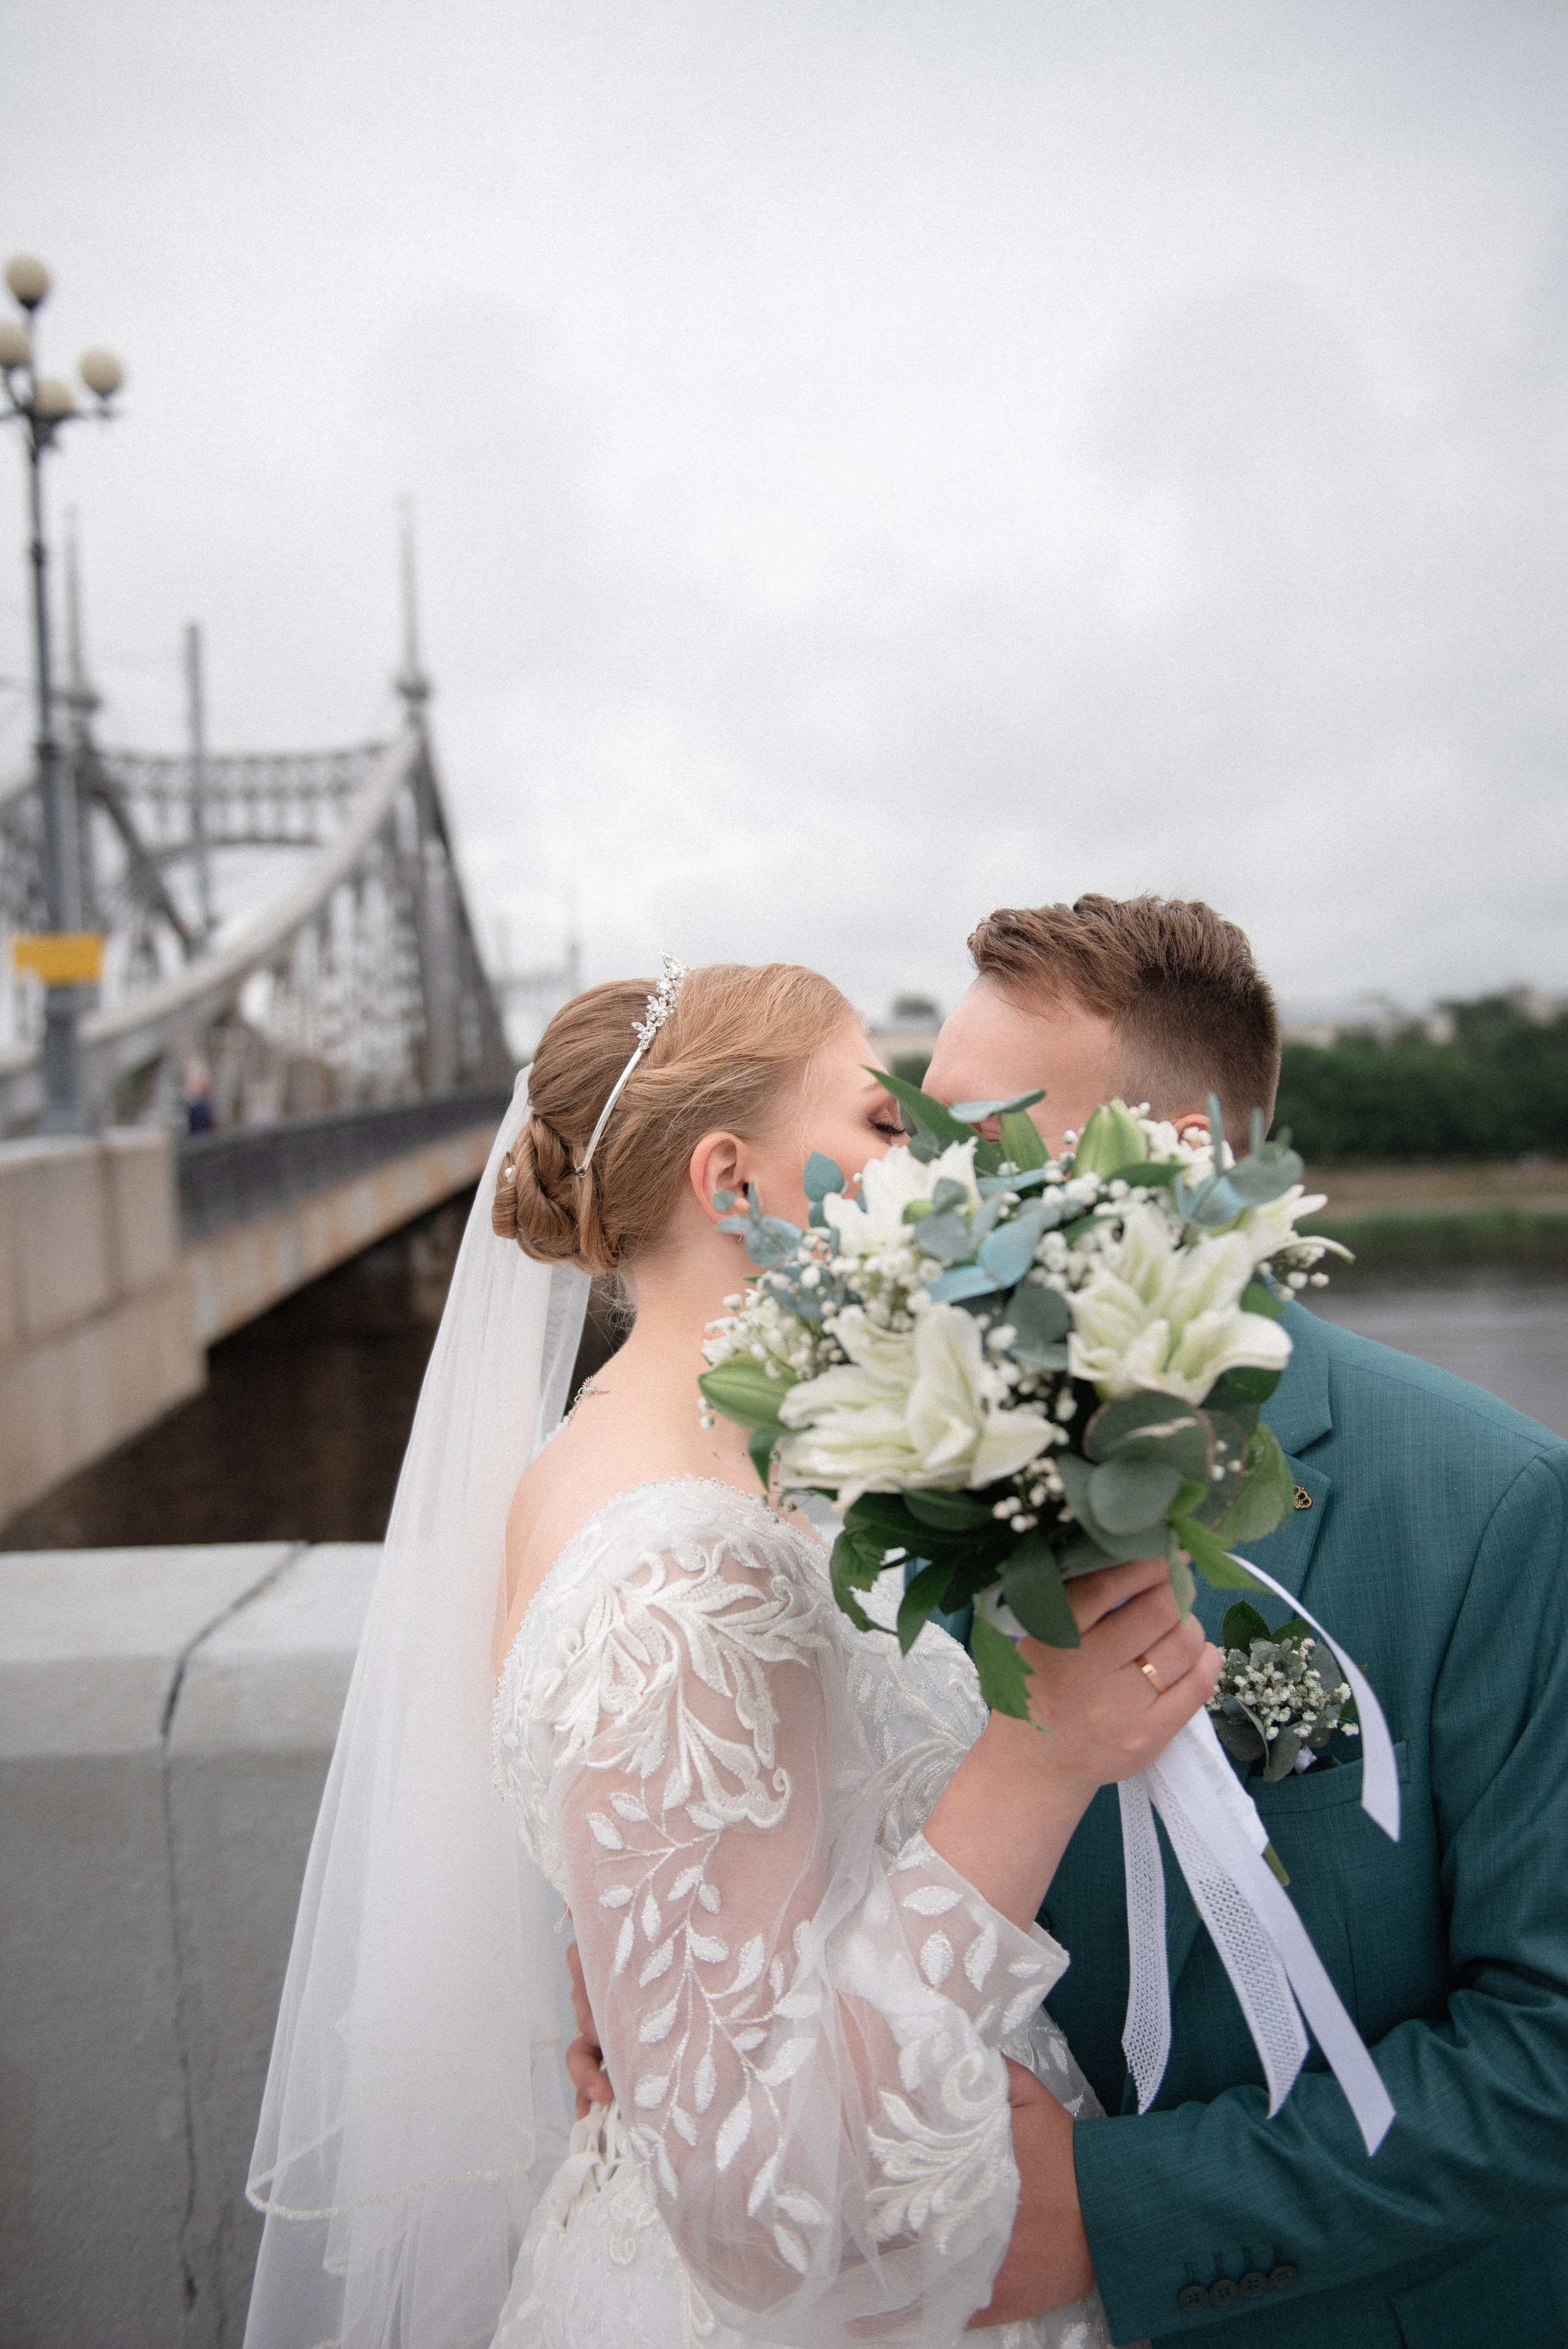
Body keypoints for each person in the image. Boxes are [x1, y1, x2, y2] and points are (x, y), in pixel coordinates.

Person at [243, 957, 1220, 2349]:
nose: (928, 1161)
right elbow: (756, 2215)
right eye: (880, 1126)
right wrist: (1036, 1761)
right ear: (732, 1182)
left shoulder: (740, 1472)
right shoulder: (671, 1572)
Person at [911, 895, 1568, 2348]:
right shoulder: (900, 1485)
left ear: (1179, 1158)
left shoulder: (1496, 1505)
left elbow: (1547, 2050)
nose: (915, 1195)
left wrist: (1115, 2213)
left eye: (979, 1143)